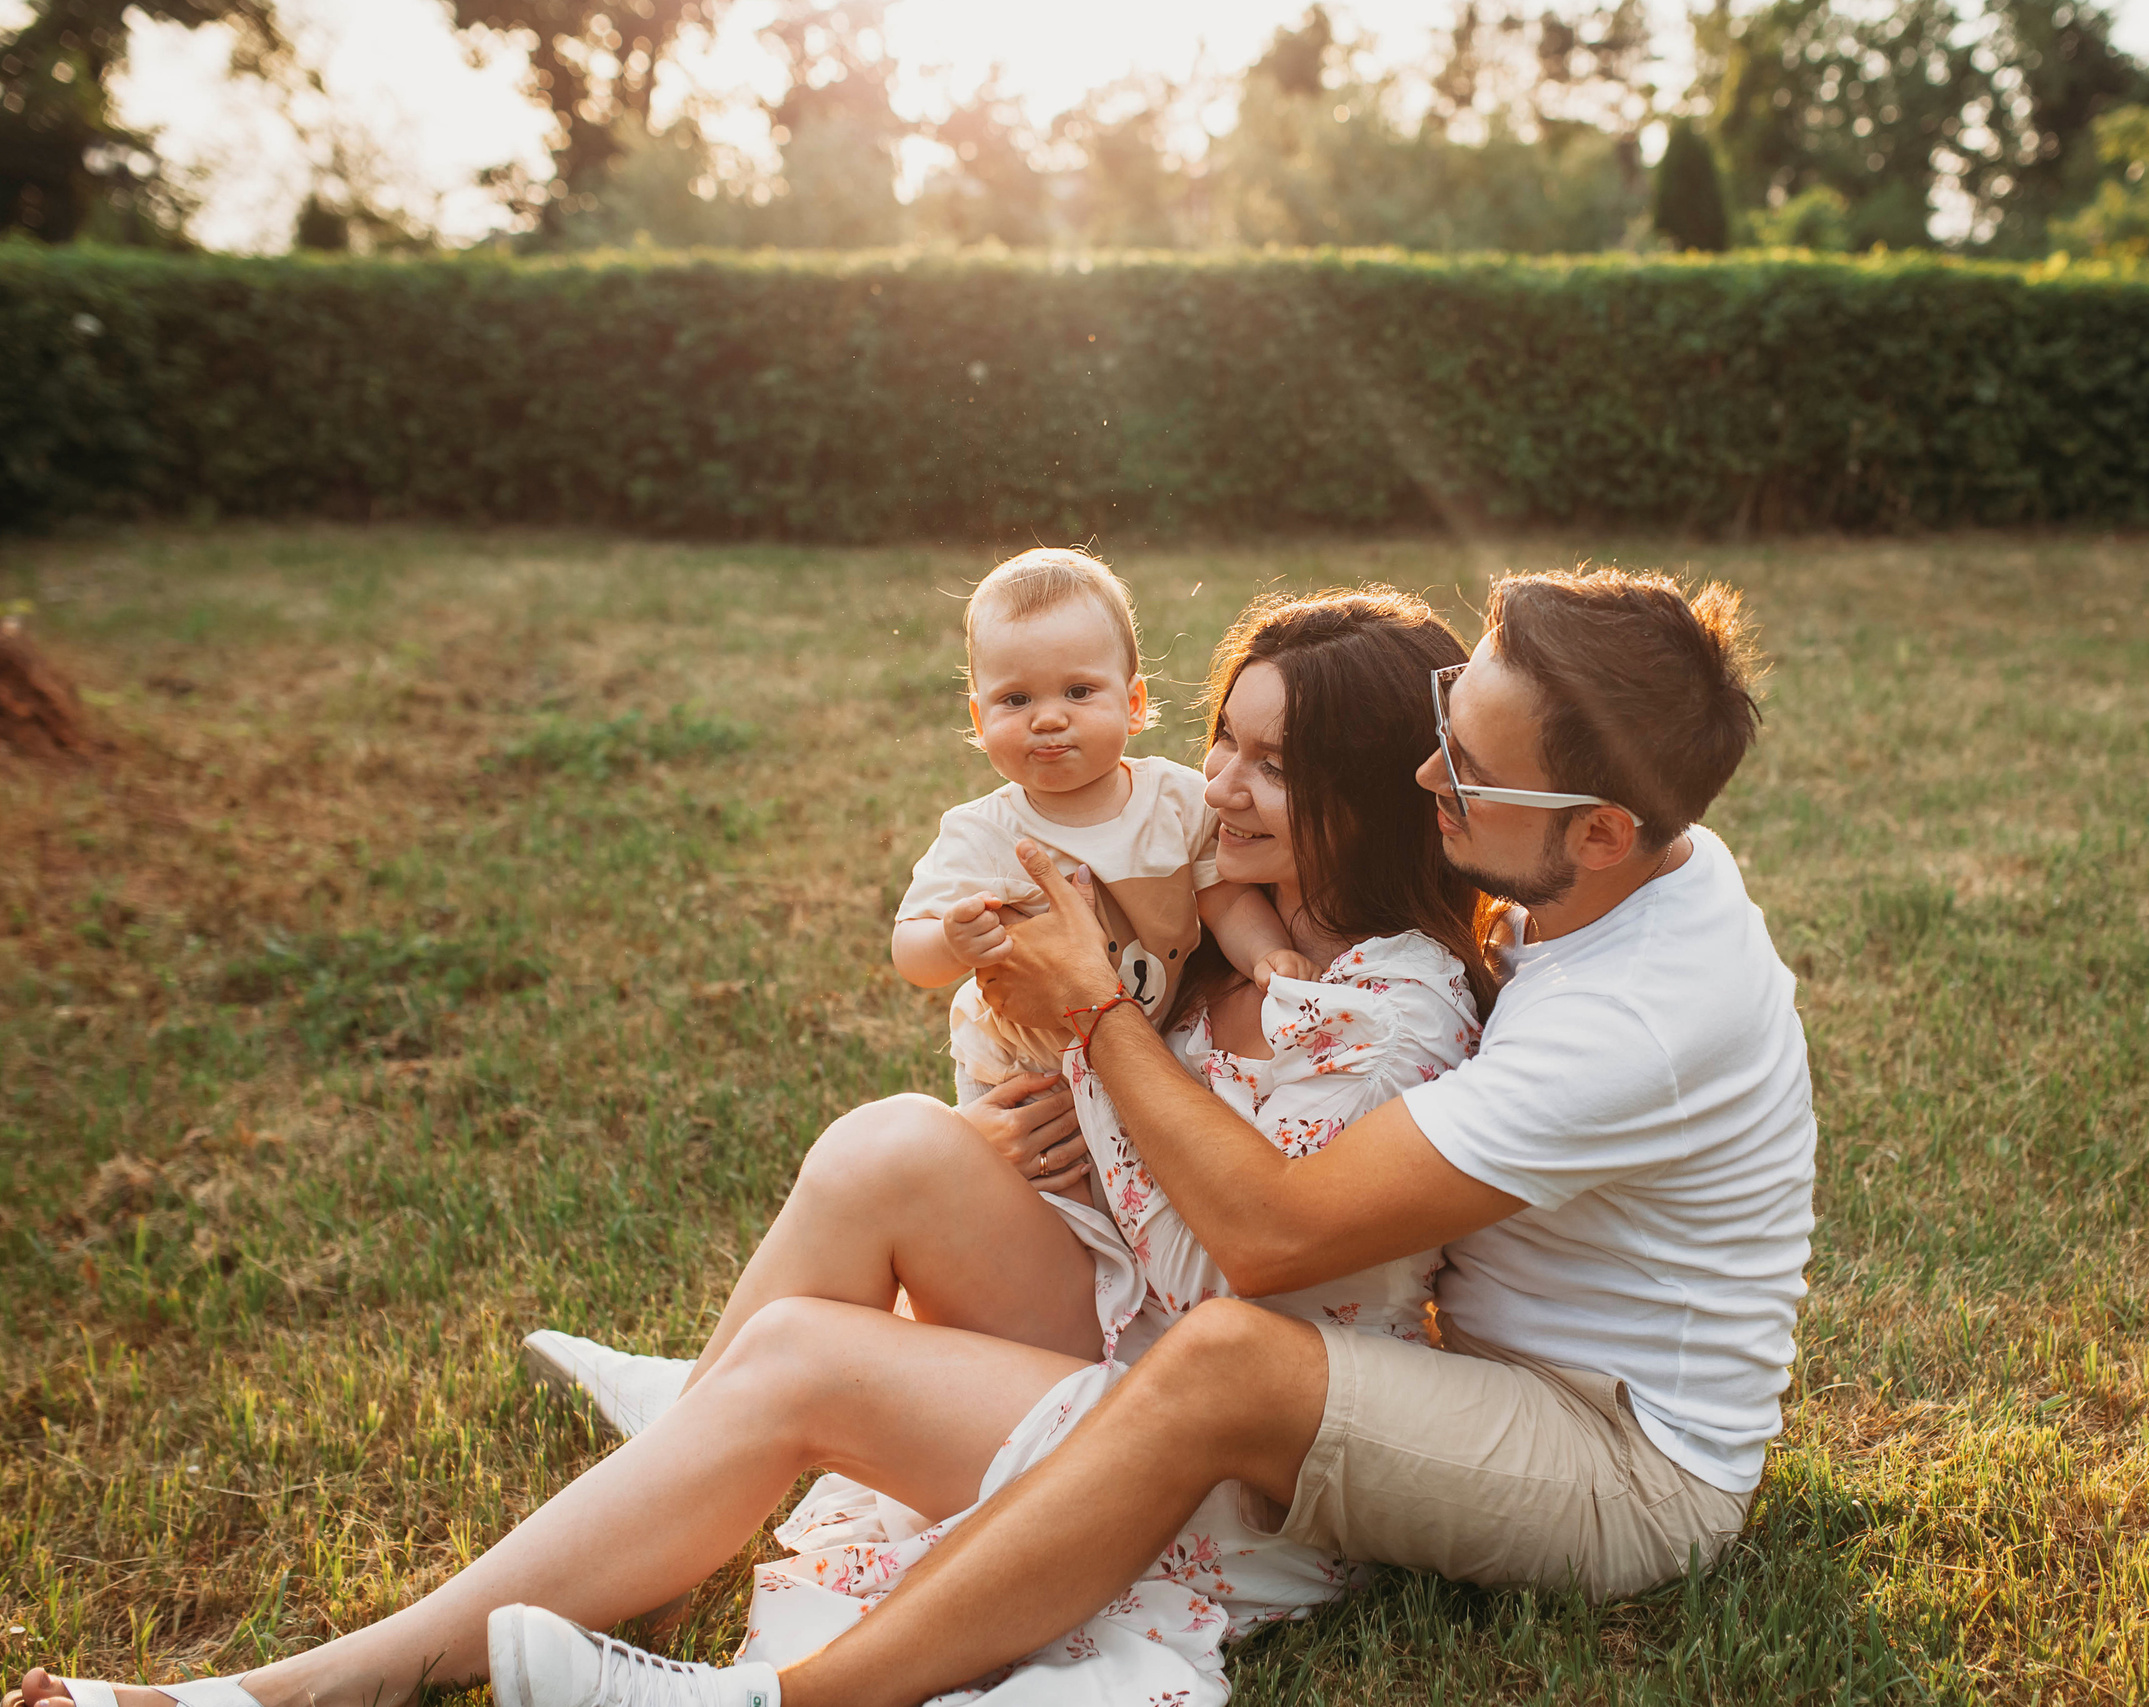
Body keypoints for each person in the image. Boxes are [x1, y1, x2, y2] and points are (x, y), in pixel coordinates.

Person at [7, 589, 1501, 1707]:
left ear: (1370, 797)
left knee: (804, 1356)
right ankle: (680, 1460)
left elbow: (1224, 1262)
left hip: (1219, 1460)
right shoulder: (1243, 918)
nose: (1219, 786)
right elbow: (1121, 1157)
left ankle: (296, 1688)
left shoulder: (1386, 1008)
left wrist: (1098, 1064)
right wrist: (1031, 1118)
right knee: (890, 1142)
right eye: (1224, 744)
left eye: (1268, 767)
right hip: (1126, 1324)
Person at [486, 565, 1819, 1707]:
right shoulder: (1617, 854)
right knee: (901, 1155)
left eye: (1467, 768)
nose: (1426, 775)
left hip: (1627, 1458)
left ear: (1596, 832)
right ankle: (691, 1439)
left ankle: (777, 1697)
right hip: (1463, 1358)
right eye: (1439, 724)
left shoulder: (1634, 1016)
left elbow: (1269, 1234)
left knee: (1236, 1353)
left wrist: (1096, 1023)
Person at [886, 545, 1303, 1104]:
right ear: (980, 720)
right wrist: (949, 940)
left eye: (1079, 692)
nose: (1049, 717)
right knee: (1034, 1181)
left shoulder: (1175, 802)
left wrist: (1266, 954)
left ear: (1133, 703)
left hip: (1146, 1048)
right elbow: (909, 948)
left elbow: (1223, 899)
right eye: (1016, 699)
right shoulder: (982, 834)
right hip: (1022, 1070)